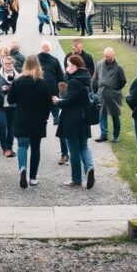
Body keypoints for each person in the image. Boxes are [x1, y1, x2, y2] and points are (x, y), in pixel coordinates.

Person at [8, 55, 53, 188]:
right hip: (37, 119)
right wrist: (45, 117)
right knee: (35, 148)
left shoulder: (18, 82)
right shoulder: (42, 83)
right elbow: (48, 103)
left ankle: (22, 168)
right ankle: (33, 177)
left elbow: (11, 100)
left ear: (25, 65)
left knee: (22, 145)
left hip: (21, 117)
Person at [54, 55, 95, 189]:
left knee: (74, 150)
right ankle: (89, 168)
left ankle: (76, 179)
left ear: (74, 67)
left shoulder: (74, 82)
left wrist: (57, 102)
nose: (66, 68)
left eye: (68, 65)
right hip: (84, 118)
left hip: (72, 119)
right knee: (83, 146)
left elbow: (69, 101)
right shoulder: (86, 77)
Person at [37, 41, 70, 165]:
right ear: (49, 50)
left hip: (42, 96)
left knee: (38, 124)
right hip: (52, 95)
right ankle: (64, 153)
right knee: (60, 125)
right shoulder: (54, 61)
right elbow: (61, 77)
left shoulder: (35, 59)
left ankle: (35, 150)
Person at [92, 47, 126, 143]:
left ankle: (115, 136)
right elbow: (95, 78)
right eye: (105, 56)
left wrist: (115, 89)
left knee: (115, 116)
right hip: (102, 94)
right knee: (102, 114)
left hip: (113, 96)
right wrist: (94, 91)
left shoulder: (119, 68)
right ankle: (103, 135)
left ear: (113, 56)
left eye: (108, 56)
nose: (106, 58)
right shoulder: (99, 64)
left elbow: (123, 81)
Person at [0, 54, 18, 157]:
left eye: (10, 63)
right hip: (0, 106)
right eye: (6, 64)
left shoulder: (17, 76)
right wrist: (1, 89)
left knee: (11, 127)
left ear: (13, 64)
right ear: (2, 64)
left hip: (12, 105)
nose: (8, 65)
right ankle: (5, 149)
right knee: (3, 124)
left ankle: (9, 147)